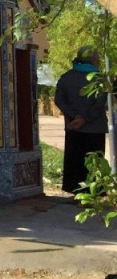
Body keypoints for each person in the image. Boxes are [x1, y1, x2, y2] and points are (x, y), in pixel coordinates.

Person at [56, 46, 108, 194]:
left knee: (75, 160)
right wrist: (85, 118)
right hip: (94, 128)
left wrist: (74, 117)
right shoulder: (100, 78)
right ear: (93, 59)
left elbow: (59, 100)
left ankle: (77, 193)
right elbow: (100, 103)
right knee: (94, 162)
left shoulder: (66, 77)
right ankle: (92, 195)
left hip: (73, 127)